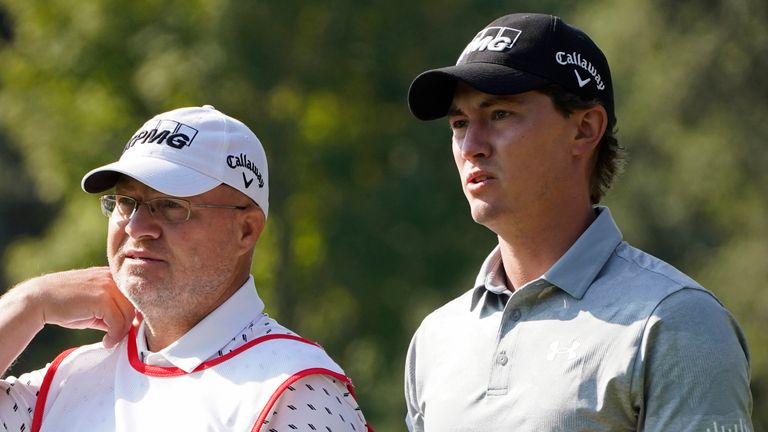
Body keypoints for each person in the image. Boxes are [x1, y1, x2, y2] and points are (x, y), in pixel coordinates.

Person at [404, 13, 752, 431]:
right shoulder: (436, 339)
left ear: (585, 129)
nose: (471, 146)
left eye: (499, 114)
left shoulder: (676, 322)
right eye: (459, 123)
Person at [0, 105, 371, 431]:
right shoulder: (67, 379)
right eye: (127, 202)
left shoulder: (291, 388)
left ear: (246, 229)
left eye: (171, 205)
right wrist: (29, 303)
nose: (136, 227)